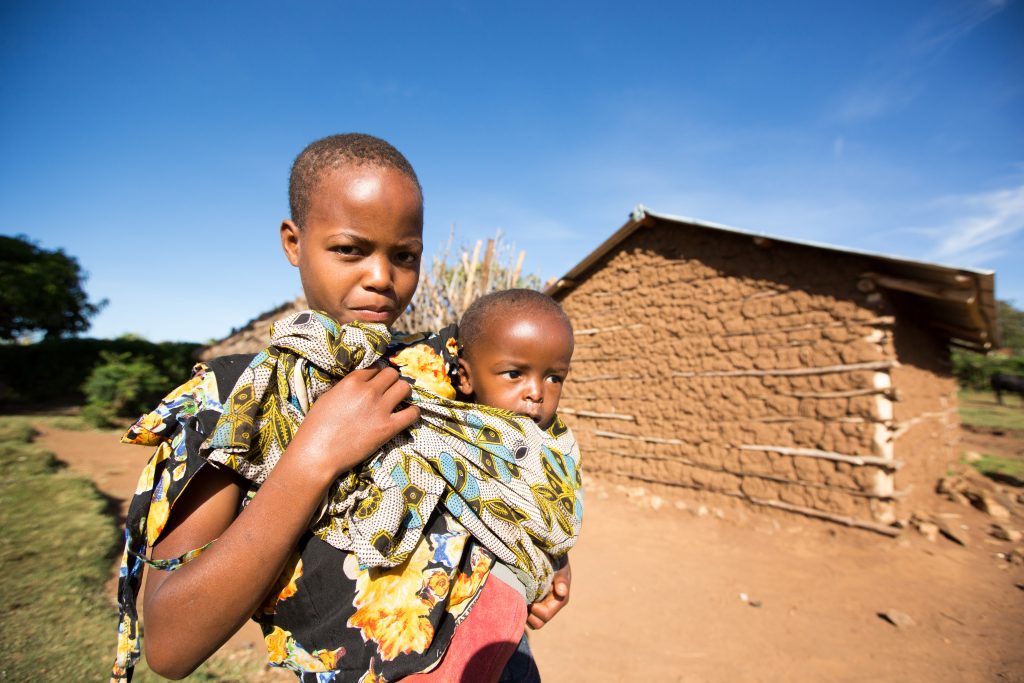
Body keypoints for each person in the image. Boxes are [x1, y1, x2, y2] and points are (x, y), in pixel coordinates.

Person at [111, 134, 572, 682]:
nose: (381, 277)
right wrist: (311, 459)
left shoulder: (443, 368)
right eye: (351, 250)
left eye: (404, 256)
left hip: (503, 663)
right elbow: (169, 644)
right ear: (293, 242)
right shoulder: (235, 400)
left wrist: (546, 551)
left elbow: (525, 452)